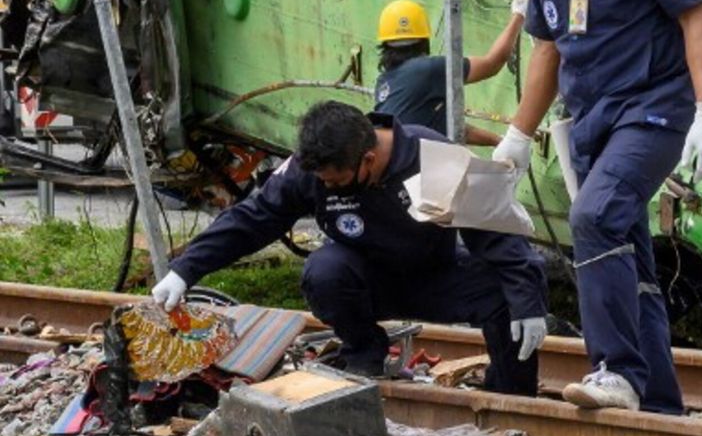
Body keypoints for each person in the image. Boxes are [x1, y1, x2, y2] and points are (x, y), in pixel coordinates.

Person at [485, 0, 702, 414]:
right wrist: (518, 135)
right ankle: (659, 404)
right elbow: (548, 49)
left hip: (653, 108)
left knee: (593, 218)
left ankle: (615, 369)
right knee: (628, 260)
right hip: (592, 122)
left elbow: (695, 17)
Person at [149, 101, 549, 395]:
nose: (327, 188)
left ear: (369, 160)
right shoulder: (312, 170)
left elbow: (494, 234)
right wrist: (185, 269)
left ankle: (511, 397)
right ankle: (364, 357)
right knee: (324, 271)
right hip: (363, 282)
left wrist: (528, 303)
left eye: (337, 182)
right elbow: (254, 218)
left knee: (503, 293)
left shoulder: (433, 158)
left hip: (435, 275)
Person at [373, 0, 529, 146]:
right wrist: (519, 14)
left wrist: (501, 142)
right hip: (419, 166)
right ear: (424, 40)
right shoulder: (428, 70)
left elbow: (456, 130)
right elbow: (492, 64)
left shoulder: (384, 82)